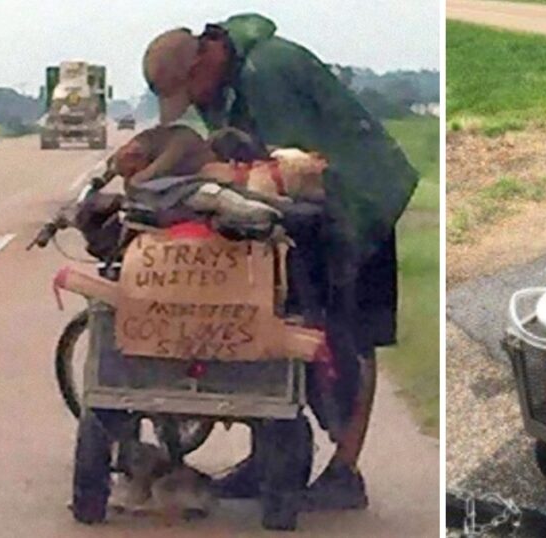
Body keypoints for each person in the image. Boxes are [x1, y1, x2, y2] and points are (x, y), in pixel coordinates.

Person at [142, 14, 418, 511]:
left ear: (205, 59)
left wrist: (225, 178)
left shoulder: (268, 71)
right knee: (276, 313)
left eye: (190, 91)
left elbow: (291, 165)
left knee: (351, 332)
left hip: (362, 202)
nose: (195, 105)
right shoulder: (226, 82)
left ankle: (344, 471)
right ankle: (265, 460)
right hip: (319, 206)